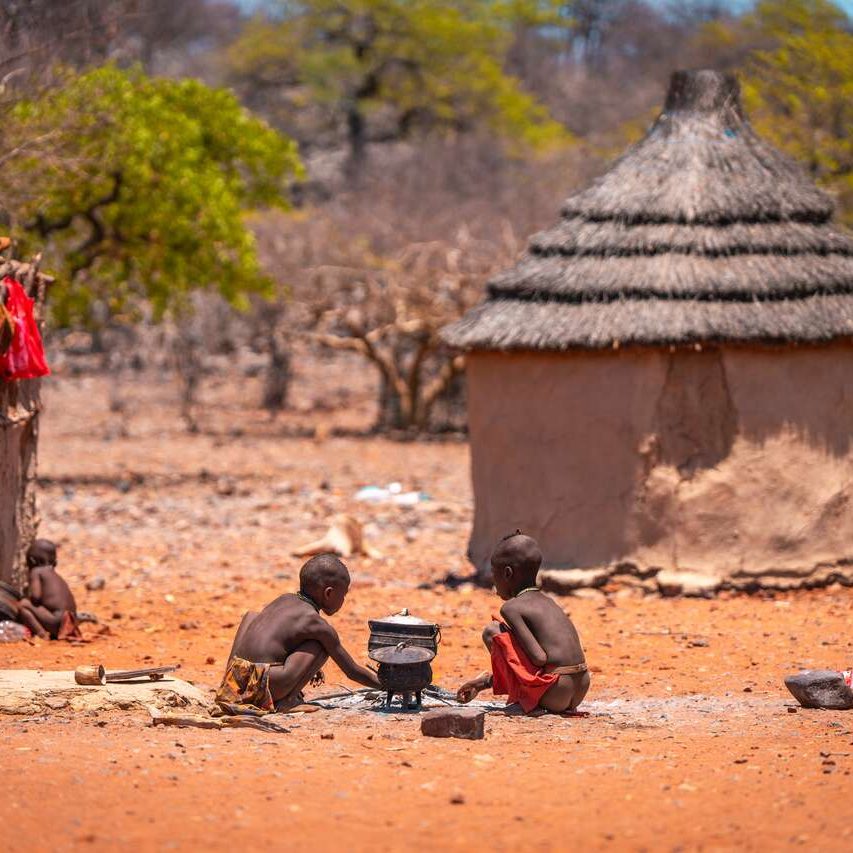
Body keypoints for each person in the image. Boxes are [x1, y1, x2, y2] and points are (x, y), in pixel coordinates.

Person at [215, 553, 381, 715]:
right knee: (323, 643)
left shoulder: (284, 599)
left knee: (252, 615)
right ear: (328, 593)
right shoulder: (314, 622)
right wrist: (392, 686)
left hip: (234, 681)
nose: (344, 600)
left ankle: (232, 679)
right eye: (343, 594)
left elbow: (282, 640)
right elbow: (352, 671)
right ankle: (288, 700)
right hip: (262, 686)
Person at [456, 531, 590, 714]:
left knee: (493, 631)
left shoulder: (511, 607)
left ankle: (524, 700)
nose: (494, 586)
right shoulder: (548, 601)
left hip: (555, 693)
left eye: (495, 576)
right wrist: (483, 683)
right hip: (580, 688)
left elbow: (538, 658)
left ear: (508, 574)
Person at [17, 539, 80, 640]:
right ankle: (55, 634)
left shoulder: (36, 571)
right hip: (72, 621)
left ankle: (42, 635)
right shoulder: (57, 577)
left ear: (32, 560)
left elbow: (36, 597)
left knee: (23, 604)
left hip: (57, 621)